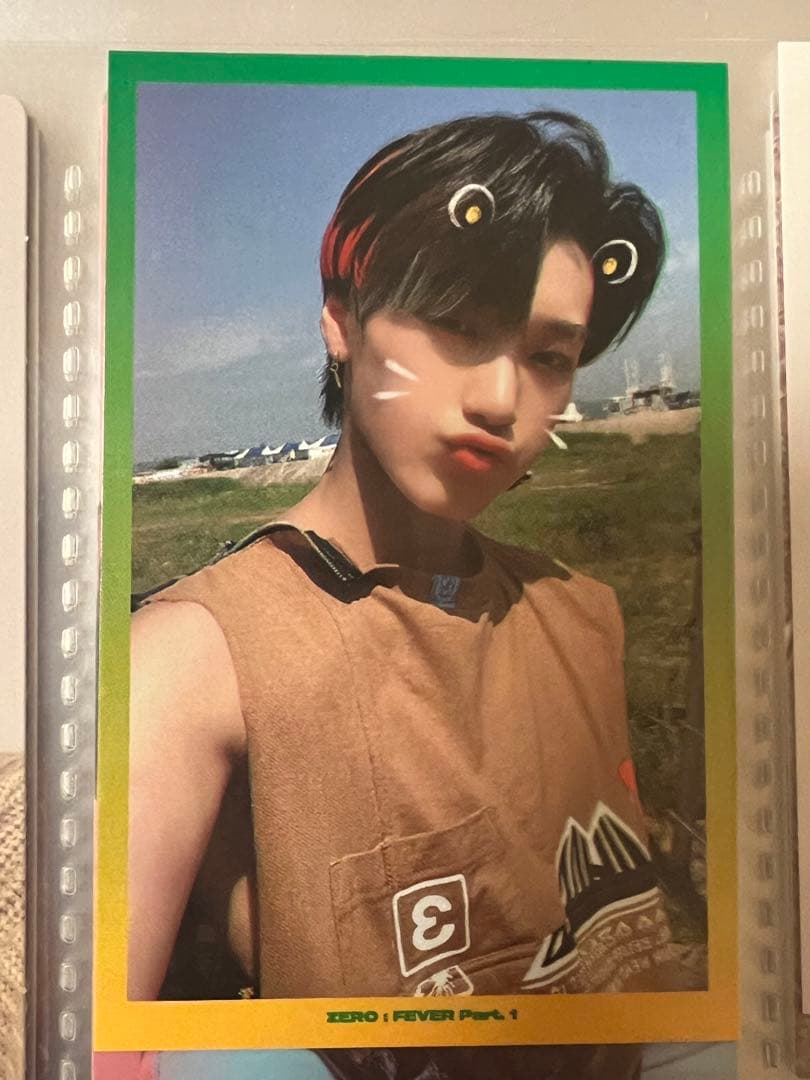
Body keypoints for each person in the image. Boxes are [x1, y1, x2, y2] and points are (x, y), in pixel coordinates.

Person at [128, 108, 680, 1072]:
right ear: (342, 320)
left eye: (549, 356)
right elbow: (93, 1044)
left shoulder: (584, 615)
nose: (501, 400)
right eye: (457, 325)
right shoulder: (193, 662)